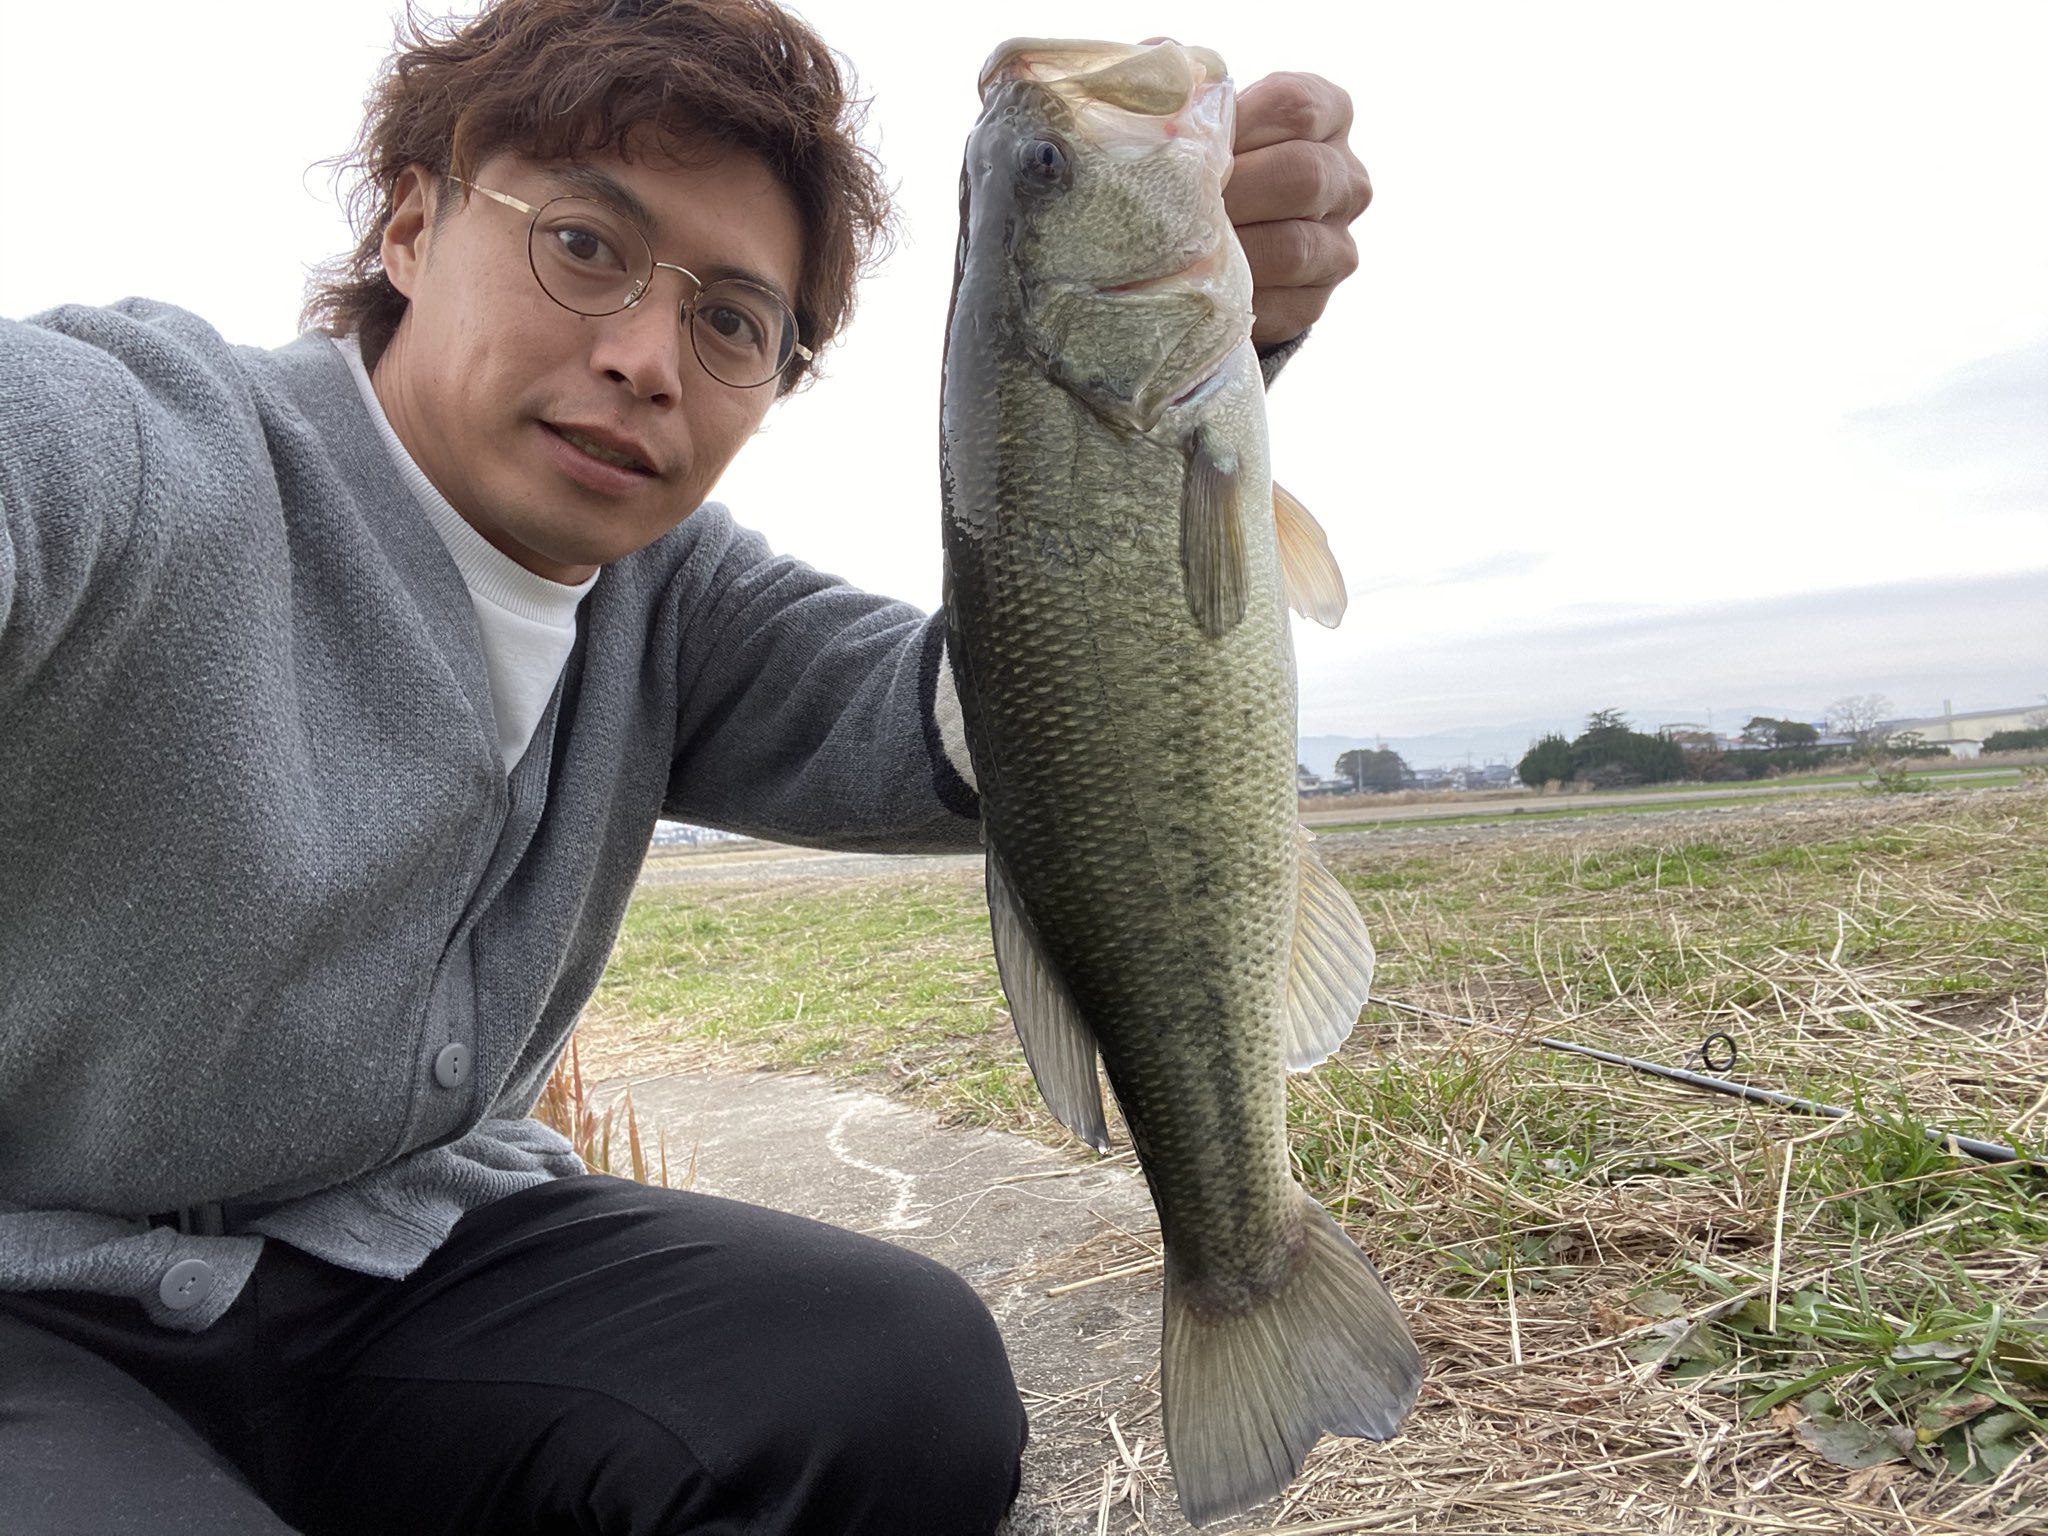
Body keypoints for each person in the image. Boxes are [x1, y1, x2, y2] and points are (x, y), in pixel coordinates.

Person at [0, 0, 1374, 1531]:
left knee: (892, 1378)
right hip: (28, 1307)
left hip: (409, 1265)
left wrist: (1197, 385)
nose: (647, 356)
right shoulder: (137, 444)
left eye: (732, 319)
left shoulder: (674, 601)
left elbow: (995, 721)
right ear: (407, 222)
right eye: (585, 245)